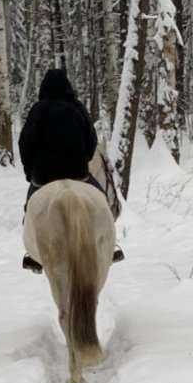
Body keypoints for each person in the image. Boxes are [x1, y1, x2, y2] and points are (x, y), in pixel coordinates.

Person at [17, 67, 123, 270]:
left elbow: (25, 144)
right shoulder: (77, 108)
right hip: (78, 174)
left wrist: (30, 173)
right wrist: (83, 158)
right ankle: (111, 246)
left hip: (43, 177)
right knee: (102, 200)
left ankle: (32, 254)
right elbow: (91, 141)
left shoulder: (38, 110)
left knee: (29, 208)